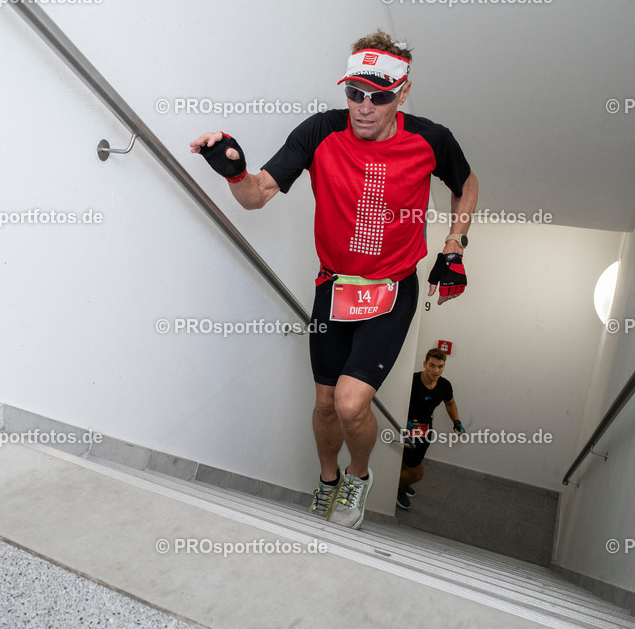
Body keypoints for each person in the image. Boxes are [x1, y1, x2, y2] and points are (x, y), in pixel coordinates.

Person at [190, 30, 478, 529]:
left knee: (350, 403)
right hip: (334, 286)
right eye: (354, 93)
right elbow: (257, 195)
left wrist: (454, 245)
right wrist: (233, 172)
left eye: (380, 96)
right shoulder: (321, 131)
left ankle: (359, 477)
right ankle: (327, 482)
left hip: (392, 289)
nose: (364, 108)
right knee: (325, 403)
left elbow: (466, 183)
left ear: (402, 93)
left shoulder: (431, 139)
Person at [397, 348, 465, 510]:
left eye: (440, 366)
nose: (436, 370)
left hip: (426, 428)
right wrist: (403, 420)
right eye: (432, 365)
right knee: (417, 473)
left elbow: (450, 403)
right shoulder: (412, 380)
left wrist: (456, 421)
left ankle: (403, 483)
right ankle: (395, 488)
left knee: (411, 462)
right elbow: (396, 401)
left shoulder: (444, 385)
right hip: (407, 428)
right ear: (425, 364)